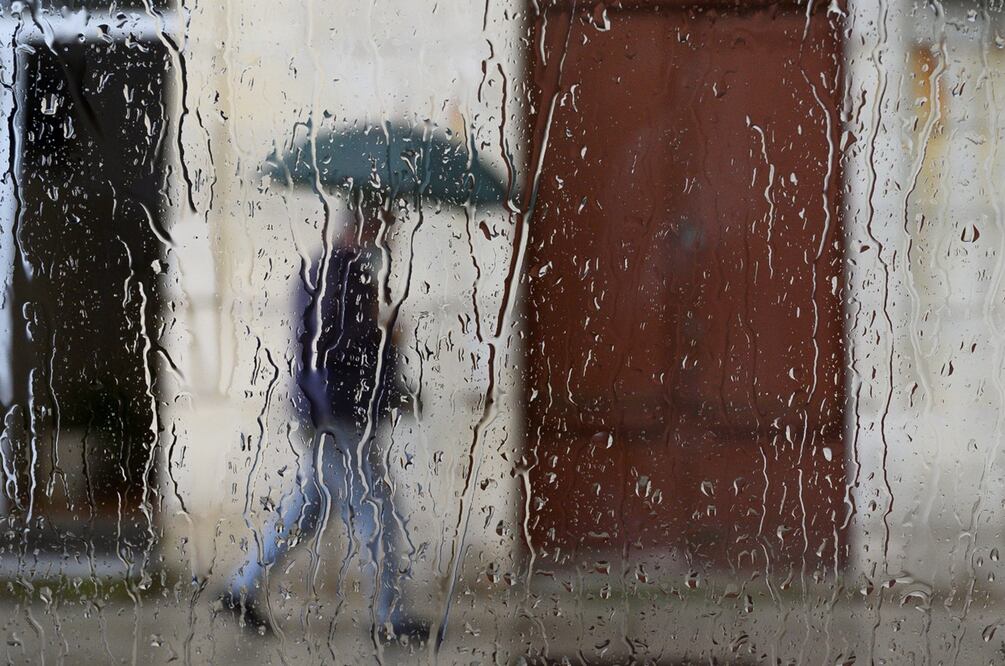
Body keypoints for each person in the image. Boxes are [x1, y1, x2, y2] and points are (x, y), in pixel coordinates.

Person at [222, 236, 424, 643]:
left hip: (329, 407)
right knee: (376, 509)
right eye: (390, 218)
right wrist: (385, 331)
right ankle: (389, 617)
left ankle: (242, 586)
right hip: (338, 413)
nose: (395, 230)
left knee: (309, 506)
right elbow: (339, 339)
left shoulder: (340, 266)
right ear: (371, 217)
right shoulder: (343, 268)